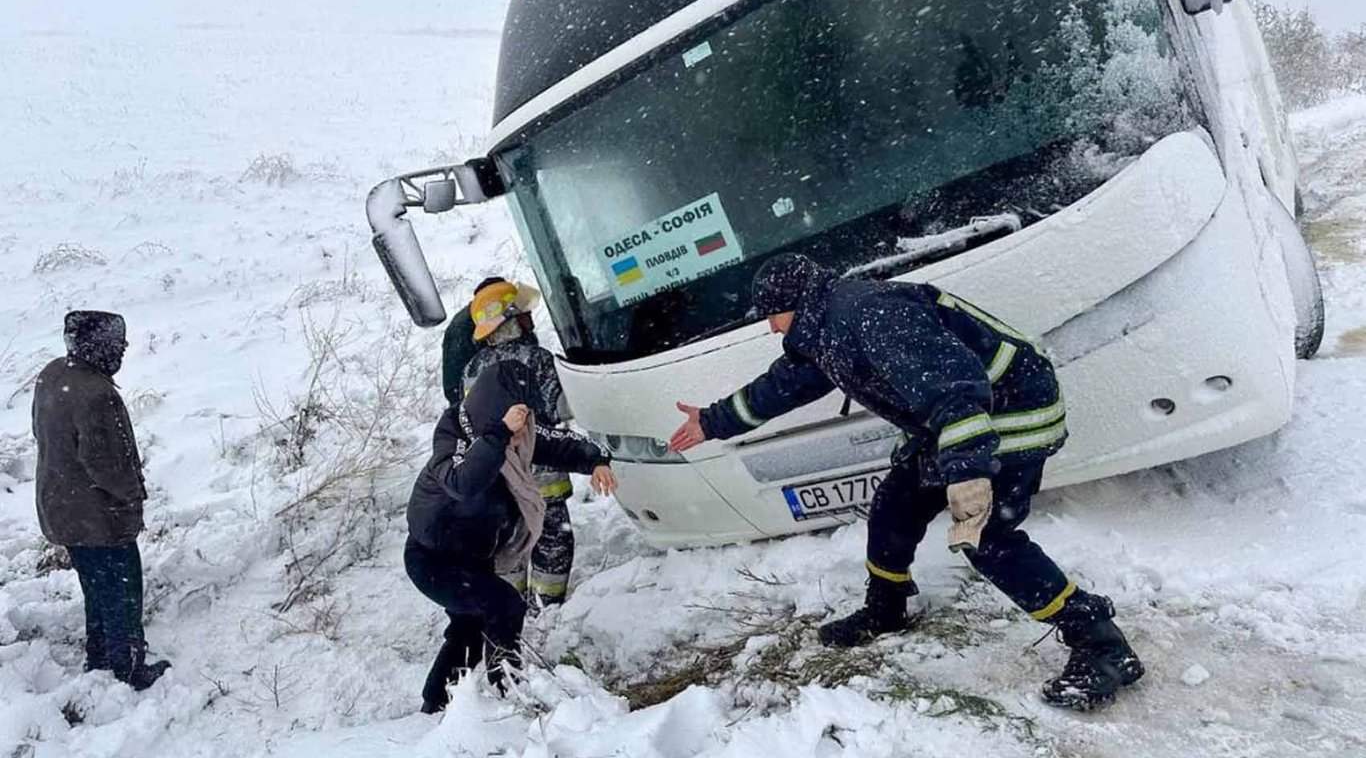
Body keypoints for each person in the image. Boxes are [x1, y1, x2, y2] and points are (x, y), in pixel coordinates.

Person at [668, 254, 1143, 710]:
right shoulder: (826, 326)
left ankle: (1100, 643)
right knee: (894, 506)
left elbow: (955, 390)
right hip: (953, 425)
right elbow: (785, 385)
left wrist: (967, 477)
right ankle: (886, 610)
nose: (771, 328)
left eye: (774, 316)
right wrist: (712, 422)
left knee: (986, 537)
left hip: (1006, 415)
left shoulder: (871, 313)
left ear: (798, 303)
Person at [405, 360, 616, 713]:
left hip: (474, 559)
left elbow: (558, 443)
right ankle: (509, 687)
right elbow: (463, 482)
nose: (523, 435)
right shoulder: (454, 438)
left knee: (470, 627)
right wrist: (500, 434)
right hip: (433, 559)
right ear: (493, 412)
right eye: (516, 423)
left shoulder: (519, 434)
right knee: (504, 605)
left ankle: (435, 705)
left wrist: (596, 460)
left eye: (524, 422)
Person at [31, 311, 171, 691]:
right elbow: (111, 467)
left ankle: (99, 655)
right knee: (123, 590)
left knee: (95, 584)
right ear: (101, 348)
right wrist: (132, 501)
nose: (123, 353)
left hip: (60, 507)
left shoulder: (52, 374)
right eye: (118, 345)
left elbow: (40, 434)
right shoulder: (98, 396)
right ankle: (128, 667)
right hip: (99, 515)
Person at [456, 277, 577, 607]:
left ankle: (512, 607)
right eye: (523, 313)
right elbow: (562, 407)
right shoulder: (536, 358)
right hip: (541, 477)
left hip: (499, 476)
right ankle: (548, 607)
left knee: (512, 543)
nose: (530, 319)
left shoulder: (471, 369)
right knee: (553, 537)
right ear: (511, 320)